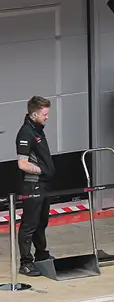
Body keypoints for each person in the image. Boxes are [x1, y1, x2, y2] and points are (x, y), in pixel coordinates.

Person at [15, 96, 55, 277]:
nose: (47, 117)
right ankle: (25, 263)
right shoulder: (26, 133)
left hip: (44, 185)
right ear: (34, 114)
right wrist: (42, 171)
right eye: (45, 114)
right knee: (29, 224)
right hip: (33, 186)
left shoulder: (38, 130)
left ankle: (42, 255)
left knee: (41, 222)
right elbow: (22, 164)